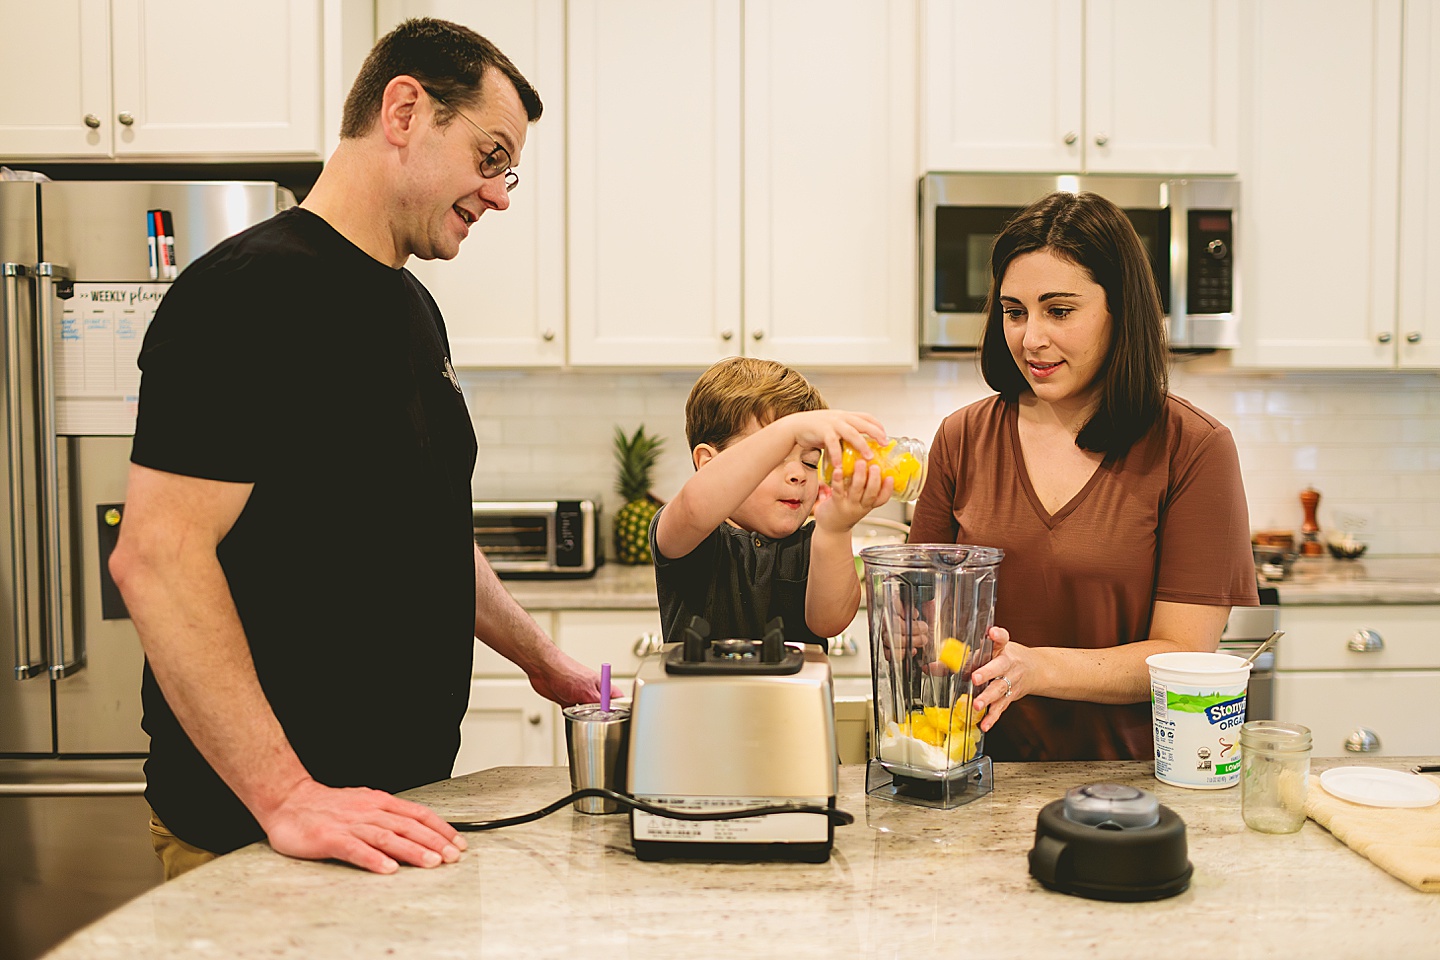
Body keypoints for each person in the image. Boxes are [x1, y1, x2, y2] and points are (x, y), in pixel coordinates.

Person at [108, 18, 612, 879]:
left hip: (391, 819)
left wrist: (544, 660)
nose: (501, 193)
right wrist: (286, 795)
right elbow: (156, 557)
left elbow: (430, 538)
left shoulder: (412, 310)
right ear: (406, 110)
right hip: (258, 839)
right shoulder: (248, 294)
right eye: (490, 157)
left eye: (510, 170)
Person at [907, 190, 1259, 761]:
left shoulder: (1193, 447)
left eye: (1059, 311)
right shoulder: (962, 438)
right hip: (974, 772)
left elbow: (1185, 654)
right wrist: (916, 631)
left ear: (1120, 309)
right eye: (1014, 312)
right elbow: (926, 611)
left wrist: (1038, 666)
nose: (1031, 338)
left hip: (1131, 789)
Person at [650, 356, 894, 648]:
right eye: (774, 458)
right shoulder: (694, 537)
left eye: (809, 462)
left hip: (794, 696)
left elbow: (830, 622)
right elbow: (693, 506)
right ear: (708, 464)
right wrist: (789, 430)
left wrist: (836, 530)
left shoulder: (815, 543)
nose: (797, 475)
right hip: (702, 695)